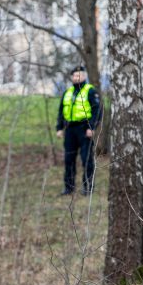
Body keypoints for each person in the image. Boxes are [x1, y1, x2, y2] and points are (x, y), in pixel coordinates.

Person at [56, 65, 101, 196]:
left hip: (84, 128)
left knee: (86, 159)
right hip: (70, 129)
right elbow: (61, 111)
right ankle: (69, 187)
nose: (77, 77)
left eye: (79, 75)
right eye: (75, 75)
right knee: (69, 159)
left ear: (84, 76)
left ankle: (88, 187)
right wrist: (59, 128)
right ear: (72, 77)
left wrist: (91, 127)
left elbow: (97, 111)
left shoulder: (90, 91)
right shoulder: (68, 92)